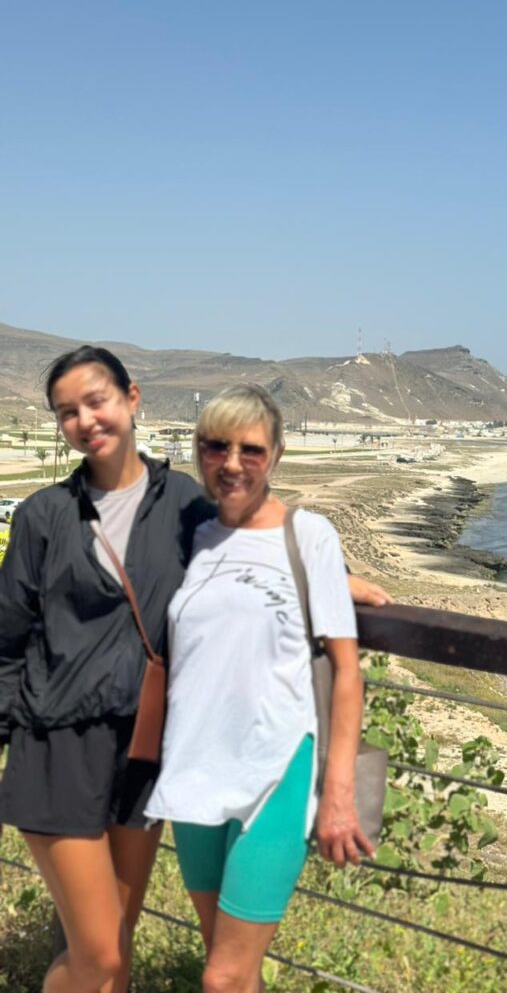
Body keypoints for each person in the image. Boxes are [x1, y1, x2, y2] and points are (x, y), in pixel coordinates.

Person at [0, 347, 390, 993]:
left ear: (132, 397)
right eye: (67, 412)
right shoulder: (46, 515)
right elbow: (7, 640)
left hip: (144, 754)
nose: (85, 420)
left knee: (118, 954)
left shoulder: (183, 504)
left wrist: (332, 576)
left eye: (96, 400)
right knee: (97, 956)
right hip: (58, 747)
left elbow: (250, 535)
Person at [144, 383, 372, 993]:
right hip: (194, 769)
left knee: (222, 978)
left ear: (274, 455)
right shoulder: (190, 535)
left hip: (276, 769)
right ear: (199, 451)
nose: (233, 462)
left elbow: (348, 673)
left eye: (251, 449)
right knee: (227, 964)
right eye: (216, 447)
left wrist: (338, 794)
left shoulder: (311, 536)